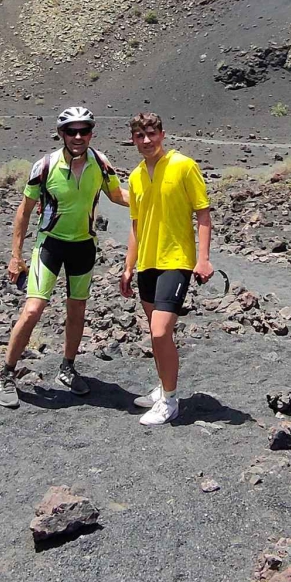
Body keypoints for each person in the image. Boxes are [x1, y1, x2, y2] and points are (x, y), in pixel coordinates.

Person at [0, 106, 128, 409]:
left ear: (91, 133)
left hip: (84, 246)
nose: (78, 137)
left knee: (77, 309)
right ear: (61, 134)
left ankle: (67, 368)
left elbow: (117, 195)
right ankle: (7, 374)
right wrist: (15, 256)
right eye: (72, 131)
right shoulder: (45, 166)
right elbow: (24, 211)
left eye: (84, 130)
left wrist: (155, 201)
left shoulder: (101, 163)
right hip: (50, 245)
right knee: (33, 309)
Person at [119, 111, 213, 426]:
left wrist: (203, 258)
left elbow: (202, 213)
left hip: (176, 260)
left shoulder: (184, 165)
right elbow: (136, 225)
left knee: (160, 331)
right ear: (133, 140)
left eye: (151, 134)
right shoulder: (135, 177)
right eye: (140, 136)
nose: (146, 141)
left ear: (162, 134)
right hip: (147, 262)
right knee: (156, 333)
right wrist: (128, 266)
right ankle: (163, 387)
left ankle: (170, 401)